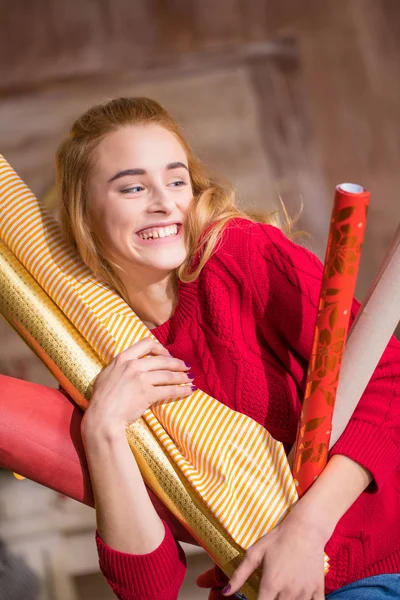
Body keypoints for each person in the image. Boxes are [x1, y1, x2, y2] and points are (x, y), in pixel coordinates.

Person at [53, 96, 400, 600]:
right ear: (85, 213)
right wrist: (104, 429)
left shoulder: (239, 254)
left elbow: (390, 382)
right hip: (259, 587)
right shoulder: (94, 359)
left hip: (377, 564)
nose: (165, 202)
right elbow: (150, 590)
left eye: (176, 180)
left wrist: (306, 531)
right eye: (133, 187)